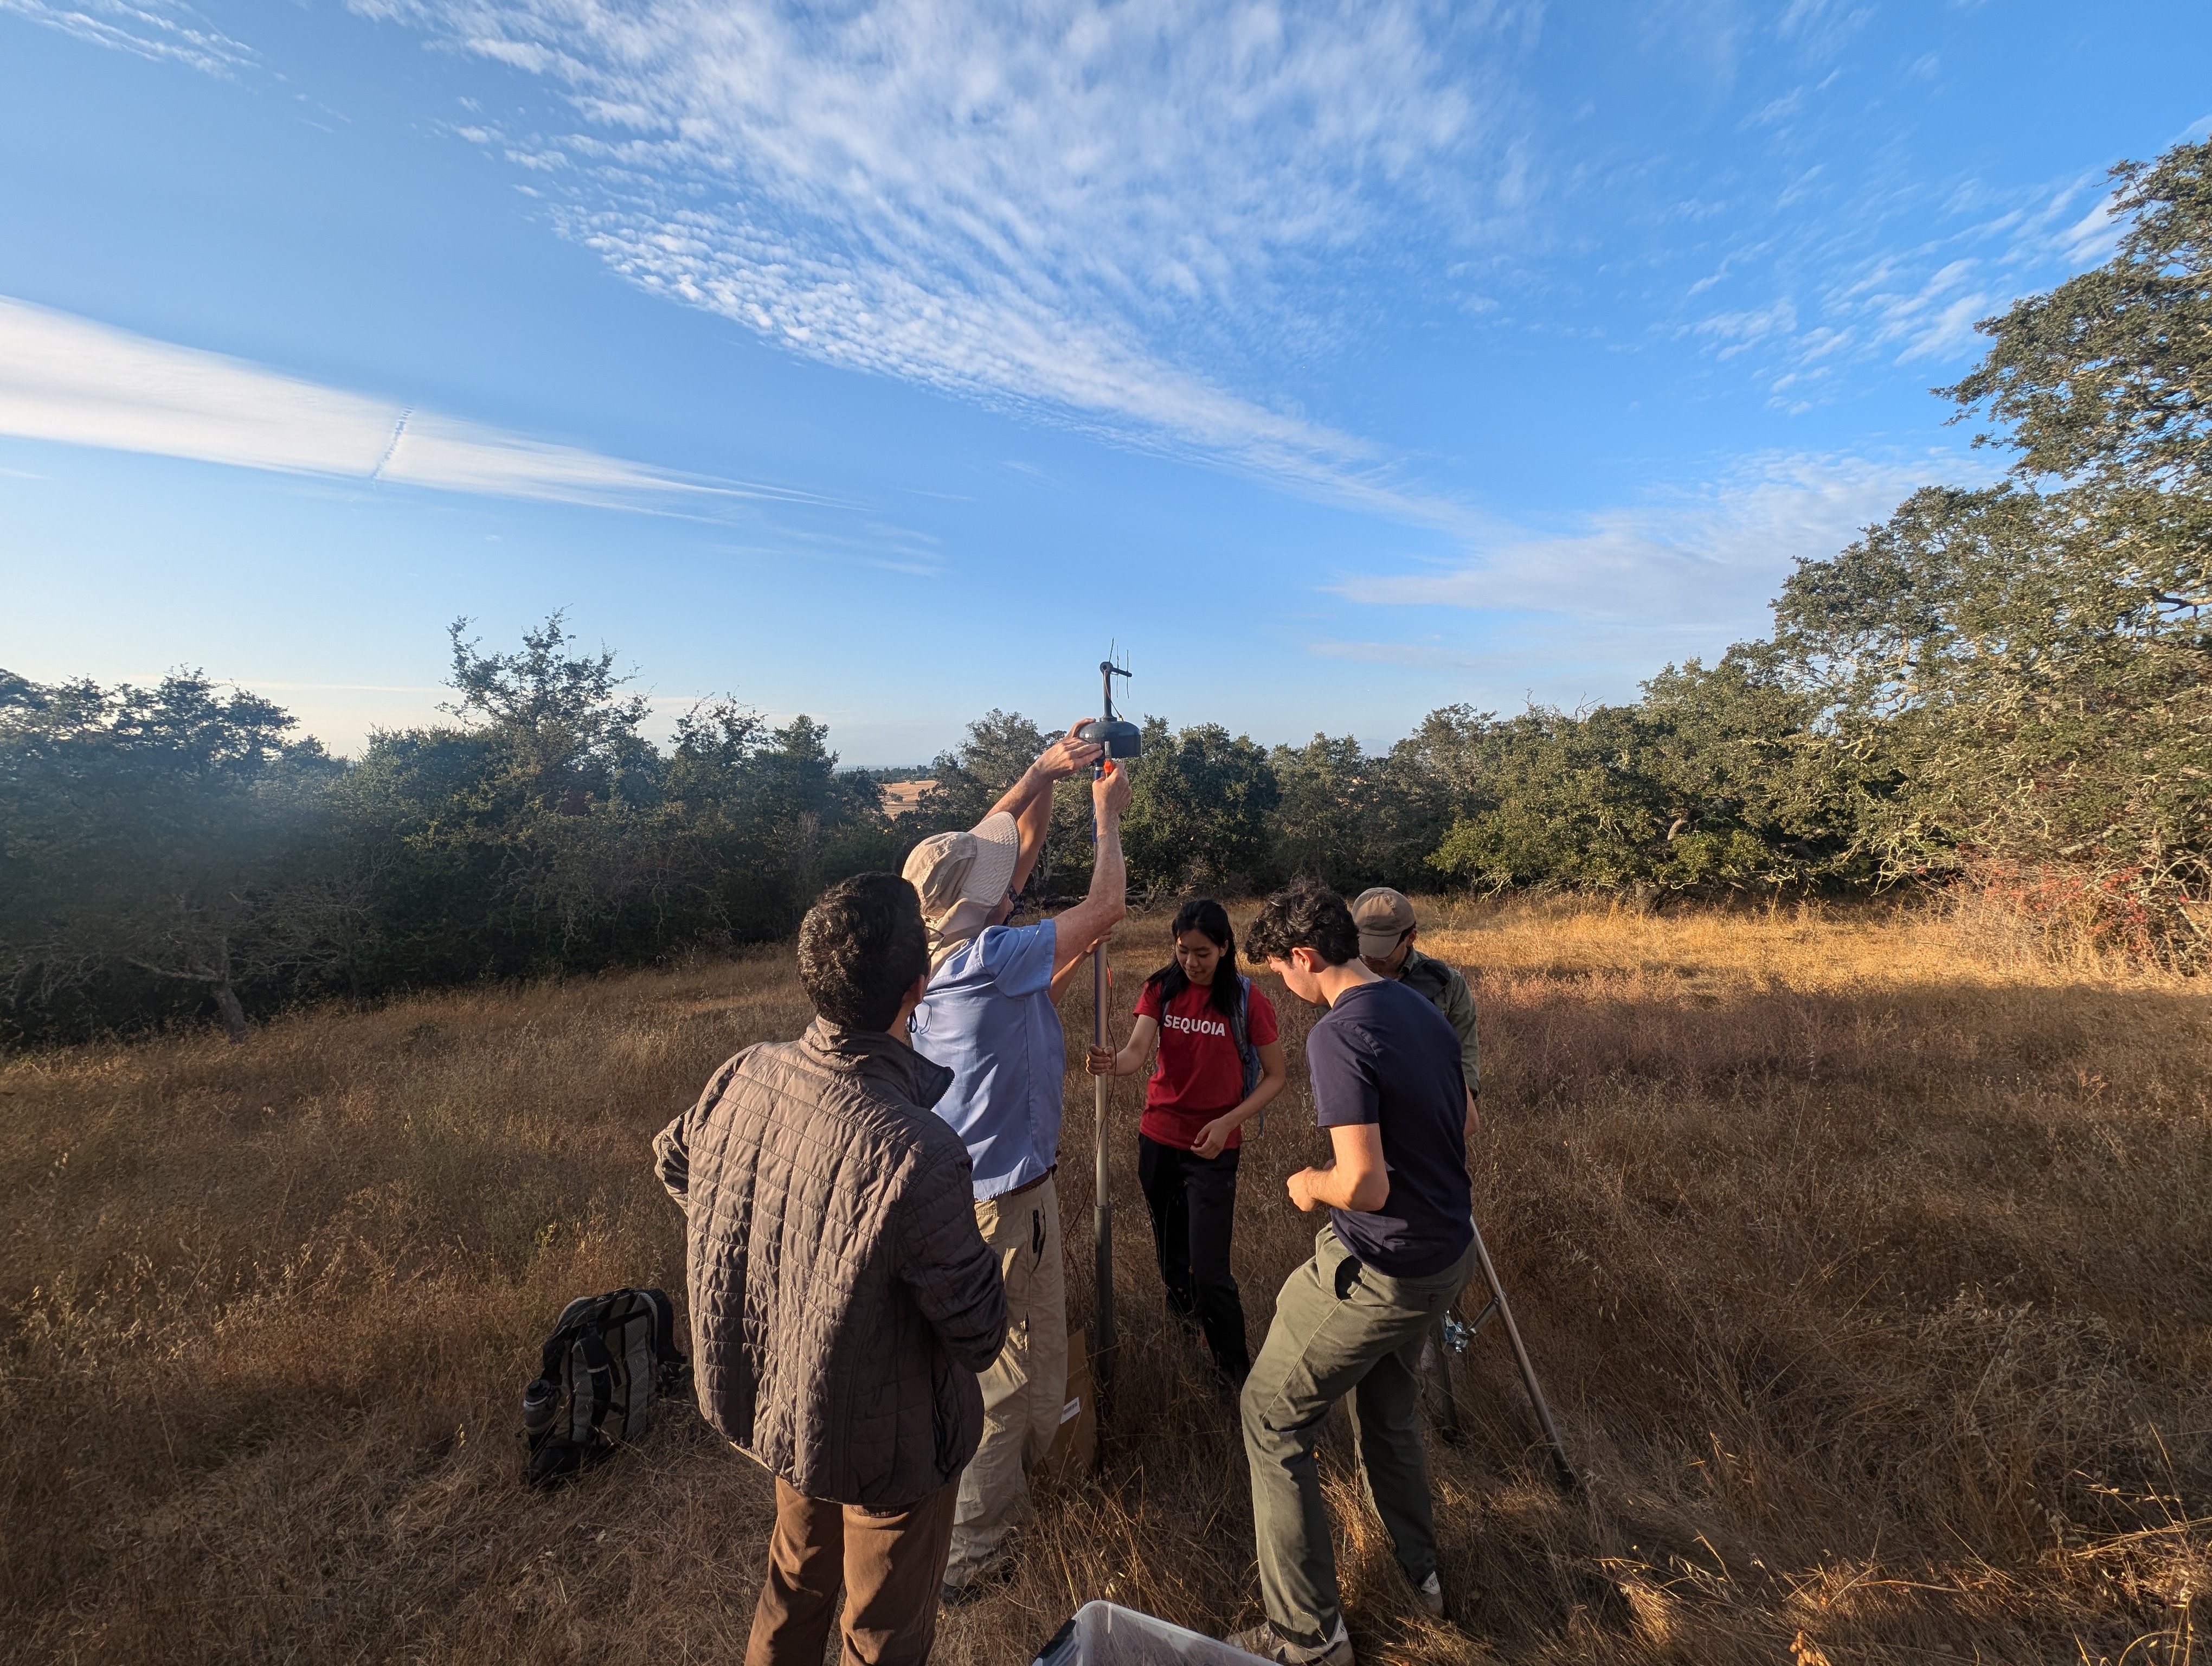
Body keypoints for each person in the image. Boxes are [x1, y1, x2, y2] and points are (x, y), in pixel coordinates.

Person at [652, 873, 1008, 1666]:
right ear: (916, 991)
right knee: (881, 1629)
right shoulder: (921, 1153)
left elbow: (677, 1162)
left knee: (795, 1580)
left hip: (786, 1398)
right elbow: (980, 1333)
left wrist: (774, 1255)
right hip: (893, 1448)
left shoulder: (745, 1070)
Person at [900, 725, 1133, 1600]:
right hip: (1001, 1207)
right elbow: (1104, 906)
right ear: (975, 909)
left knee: (1031, 1365)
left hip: (1009, 1196)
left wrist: (1044, 771)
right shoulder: (990, 958)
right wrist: (1104, 816)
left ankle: (1015, 1503)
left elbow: (1006, 852)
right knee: (1002, 1380)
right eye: (998, 889)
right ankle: (972, 1557)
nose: (1017, 887)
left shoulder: (932, 943)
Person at [1230, 881, 1476, 1666]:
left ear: (1306, 957)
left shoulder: (1339, 1035)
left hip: (1382, 1266)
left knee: (1271, 1417)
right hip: (1446, 1255)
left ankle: (1307, 1636)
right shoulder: (1422, 1008)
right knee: (1389, 1412)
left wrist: (1309, 1184)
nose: (1284, 987)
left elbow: (1362, 1183)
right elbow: (1467, 1121)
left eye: (1280, 972)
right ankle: (1418, 1582)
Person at [1085, 898, 1287, 1384]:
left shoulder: (1245, 1000)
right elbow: (1137, 1052)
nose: (1192, 964)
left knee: (1211, 1271)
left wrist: (1227, 1123)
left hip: (1214, 1150)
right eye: (1183, 951)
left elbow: (1276, 1077)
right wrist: (1113, 1061)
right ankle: (1185, 1335)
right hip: (1159, 1140)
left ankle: (1235, 1375)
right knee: (1173, 1260)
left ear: (1224, 948)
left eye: (1203, 953)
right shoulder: (1161, 989)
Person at [1350, 887, 1480, 1140]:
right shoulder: (1341, 979)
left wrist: (1456, 1112)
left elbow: (1465, 1054)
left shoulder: (1447, 984)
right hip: (1363, 1116)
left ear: (1411, 937)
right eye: (1363, 943)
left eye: (1382, 946)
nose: (1369, 955)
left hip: (1431, 1114)